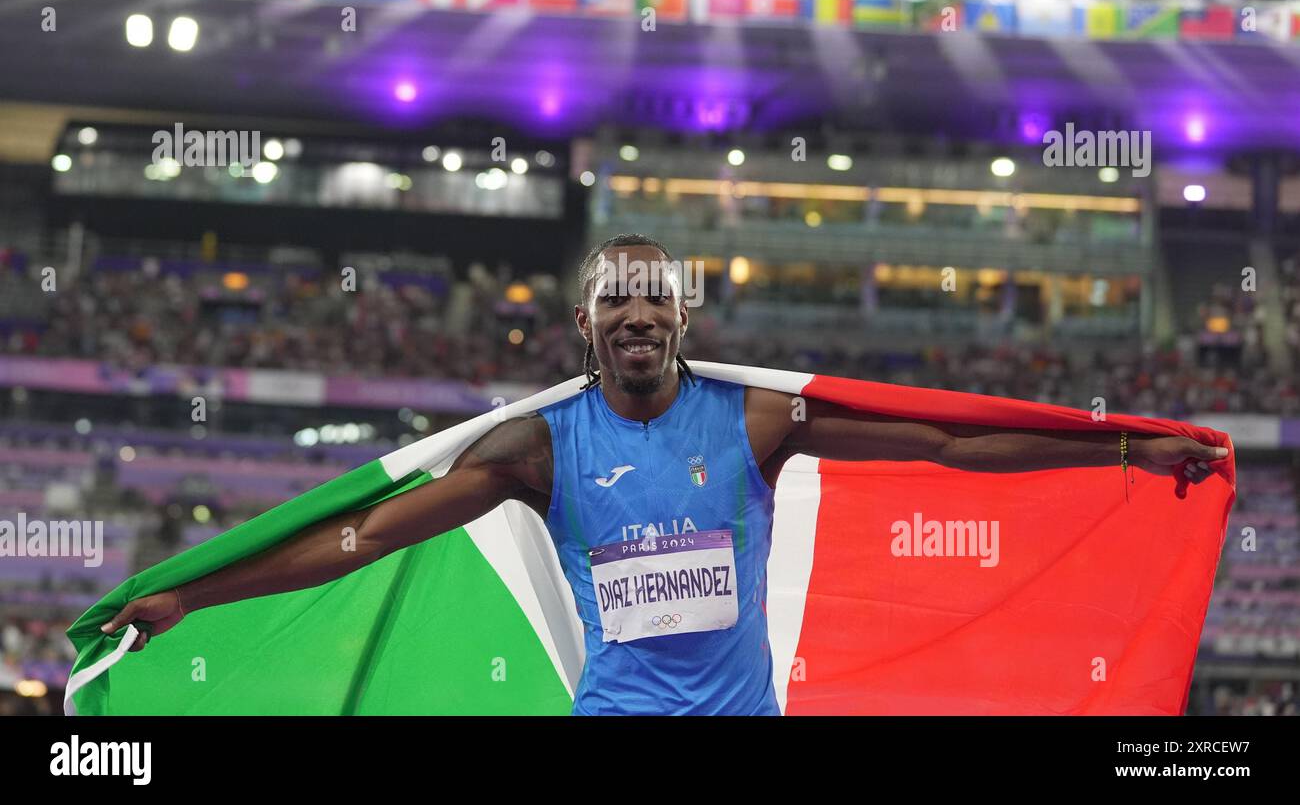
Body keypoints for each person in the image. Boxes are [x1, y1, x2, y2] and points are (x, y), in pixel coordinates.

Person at [102, 234, 1226, 715]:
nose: (636, 312)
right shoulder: (537, 452)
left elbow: (946, 443)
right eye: (614, 298)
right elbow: (361, 536)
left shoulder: (756, 418)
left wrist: (1119, 445)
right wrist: (191, 594)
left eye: (654, 296)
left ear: (683, 315)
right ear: (586, 324)